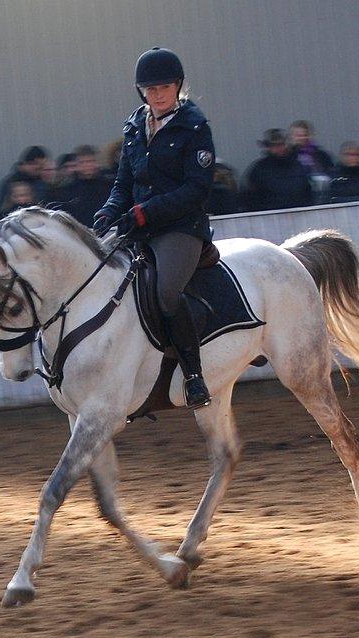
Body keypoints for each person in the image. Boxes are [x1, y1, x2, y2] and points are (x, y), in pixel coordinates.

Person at [92, 47, 215, 409]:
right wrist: (108, 212)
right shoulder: (134, 126)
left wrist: (146, 213)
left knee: (164, 292)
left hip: (181, 227)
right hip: (140, 225)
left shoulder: (194, 126)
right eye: (150, 88)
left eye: (164, 86)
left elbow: (196, 189)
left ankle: (193, 375)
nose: (158, 93)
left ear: (177, 86)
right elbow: (123, 183)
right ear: (141, 91)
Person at [242, 128, 313, 211]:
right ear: (268, 147)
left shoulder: (298, 166)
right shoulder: (258, 170)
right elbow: (248, 200)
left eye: (281, 144)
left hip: (300, 217)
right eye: (274, 145)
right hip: (269, 219)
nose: (279, 148)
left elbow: (308, 192)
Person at [56, 145, 113, 226]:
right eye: (82, 162)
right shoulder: (66, 191)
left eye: (91, 161)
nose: (87, 165)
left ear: (97, 163)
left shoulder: (109, 186)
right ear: (76, 165)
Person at [0, 146, 51, 216]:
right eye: (38, 167)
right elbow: (1, 210)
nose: (39, 169)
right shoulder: (9, 184)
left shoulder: (42, 183)